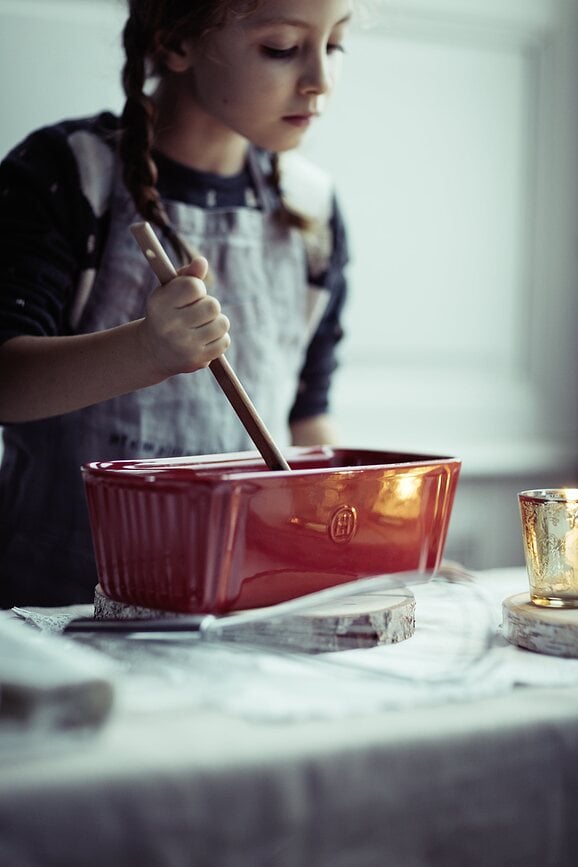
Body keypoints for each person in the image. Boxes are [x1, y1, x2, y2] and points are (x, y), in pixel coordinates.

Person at [0, 0, 352, 607]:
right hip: (56, 604)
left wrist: (345, 545)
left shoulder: (311, 209)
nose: (320, 81)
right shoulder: (69, 172)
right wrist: (145, 351)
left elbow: (306, 415)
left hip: (240, 598)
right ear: (175, 43)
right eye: (281, 48)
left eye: (336, 45)